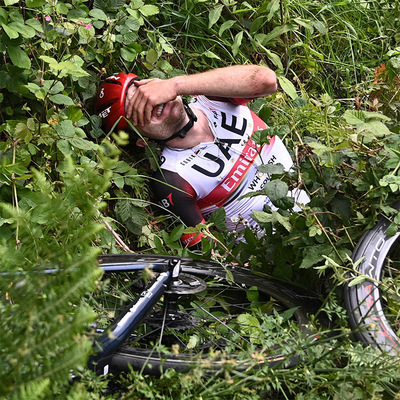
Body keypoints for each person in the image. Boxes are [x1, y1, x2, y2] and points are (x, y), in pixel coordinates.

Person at [95, 65, 309, 248]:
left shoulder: (213, 98)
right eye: (140, 110)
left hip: (318, 195)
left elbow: (266, 80)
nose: (153, 104)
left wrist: (174, 85)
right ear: (141, 140)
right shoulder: (172, 178)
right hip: (288, 247)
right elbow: (211, 255)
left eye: (147, 94)